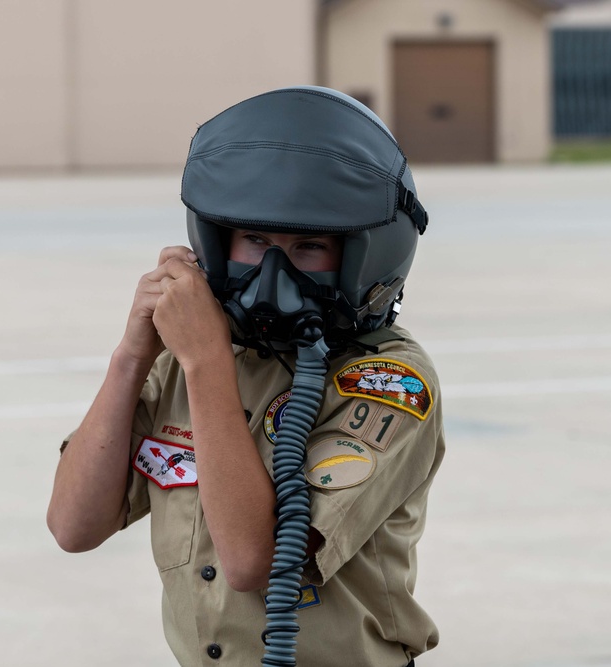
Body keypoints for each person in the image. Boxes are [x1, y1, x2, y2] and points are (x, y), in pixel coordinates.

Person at [47, 86, 445, 667]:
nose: (271, 274)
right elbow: (72, 526)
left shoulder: (387, 382)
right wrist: (132, 357)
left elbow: (252, 563)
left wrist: (206, 363)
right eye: (255, 241)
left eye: (309, 247)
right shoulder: (185, 357)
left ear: (364, 257)